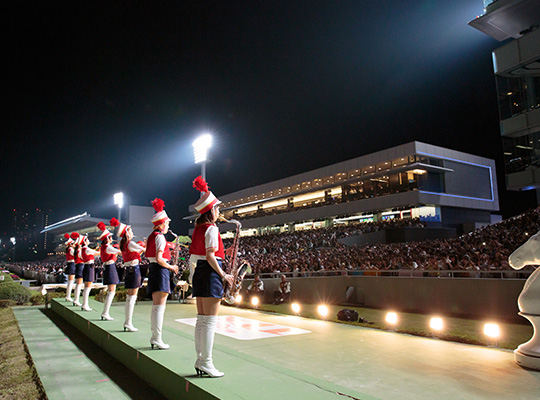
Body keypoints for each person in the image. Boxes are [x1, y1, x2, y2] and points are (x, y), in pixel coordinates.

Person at [190, 176, 234, 378]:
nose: (219, 213)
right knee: (208, 322)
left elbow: (203, 255)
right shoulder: (212, 228)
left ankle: (201, 360)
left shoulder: (199, 228)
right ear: (211, 211)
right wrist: (224, 274)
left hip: (201, 271)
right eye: (217, 209)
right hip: (209, 272)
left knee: (201, 320)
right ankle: (206, 362)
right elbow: (210, 255)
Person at [146, 198, 178, 349]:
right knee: (160, 307)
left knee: (156, 307)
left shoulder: (152, 236)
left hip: (154, 270)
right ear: (162, 224)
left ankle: (155, 337)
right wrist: (172, 267)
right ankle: (157, 338)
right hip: (160, 271)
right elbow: (159, 258)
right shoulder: (160, 237)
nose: (168, 226)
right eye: (167, 223)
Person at [113, 218, 146, 332]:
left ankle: (128, 321)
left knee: (130, 297)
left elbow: (137, 254)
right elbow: (144, 250)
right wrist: (146, 244)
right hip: (134, 269)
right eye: (131, 231)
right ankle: (128, 322)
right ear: (126, 233)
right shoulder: (131, 243)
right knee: (132, 297)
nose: (132, 233)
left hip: (129, 269)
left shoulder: (125, 245)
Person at [97, 222, 121, 321]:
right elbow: (120, 252)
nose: (112, 239)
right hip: (110, 267)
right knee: (112, 291)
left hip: (108, 267)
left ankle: (105, 312)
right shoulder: (108, 247)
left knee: (111, 291)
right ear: (107, 239)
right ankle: (105, 312)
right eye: (110, 237)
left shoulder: (104, 247)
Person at [80, 235, 99, 311]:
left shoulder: (83, 250)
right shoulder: (87, 249)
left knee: (86, 287)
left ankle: (84, 304)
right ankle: (85, 304)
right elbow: (97, 253)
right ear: (84, 242)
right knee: (88, 287)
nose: (88, 240)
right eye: (87, 239)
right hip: (89, 267)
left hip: (87, 267)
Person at [72, 233, 85, 307]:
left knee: (78, 284)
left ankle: (76, 299)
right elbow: (83, 258)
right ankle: (76, 300)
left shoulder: (76, 250)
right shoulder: (79, 250)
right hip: (80, 266)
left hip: (78, 266)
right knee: (79, 284)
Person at [64, 233, 76, 302]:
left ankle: (68, 295)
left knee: (70, 282)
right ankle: (68, 296)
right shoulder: (71, 250)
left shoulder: (68, 250)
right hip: (72, 264)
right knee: (71, 282)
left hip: (70, 264)